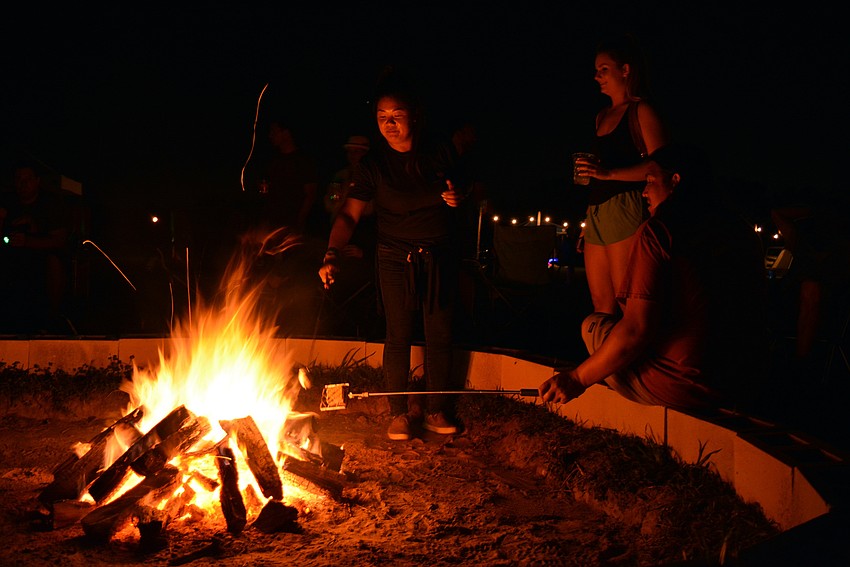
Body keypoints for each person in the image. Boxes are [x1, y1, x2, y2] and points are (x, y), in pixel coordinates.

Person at [539, 144, 769, 412]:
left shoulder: (660, 230)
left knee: (594, 324)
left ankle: (631, 407)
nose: (644, 191)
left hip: (687, 387)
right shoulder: (741, 230)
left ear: (676, 181)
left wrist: (576, 378)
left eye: (649, 181)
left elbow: (637, 330)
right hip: (748, 381)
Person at [318, 68, 469, 440]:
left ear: (414, 115)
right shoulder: (373, 167)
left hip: (437, 255)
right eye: (382, 117)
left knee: (439, 333)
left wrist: (458, 195)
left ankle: (436, 408)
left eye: (397, 116)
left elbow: (465, 187)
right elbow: (350, 213)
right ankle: (399, 412)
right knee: (397, 335)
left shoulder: (439, 151)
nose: (390, 124)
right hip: (393, 256)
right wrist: (331, 253)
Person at [574, 33, 669, 316]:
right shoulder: (601, 116)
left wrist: (608, 172)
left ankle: (634, 358)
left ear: (625, 70)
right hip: (597, 211)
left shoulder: (642, 110)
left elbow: (661, 167)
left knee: (627, 301)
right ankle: (605, 356)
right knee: (600, 304)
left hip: (627, 207)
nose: (597, 76)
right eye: (596, 70)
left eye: (604, 69)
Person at [0, 160, 72, 333]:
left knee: (53, 262)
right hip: (11, 257)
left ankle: (51, 318)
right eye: (19, 179)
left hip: (42, 257)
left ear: (37, 181)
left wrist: (28, 240)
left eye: (28, 179)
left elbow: (59, 240)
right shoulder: (8, 201)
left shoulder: (51, 203)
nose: (23, 184)